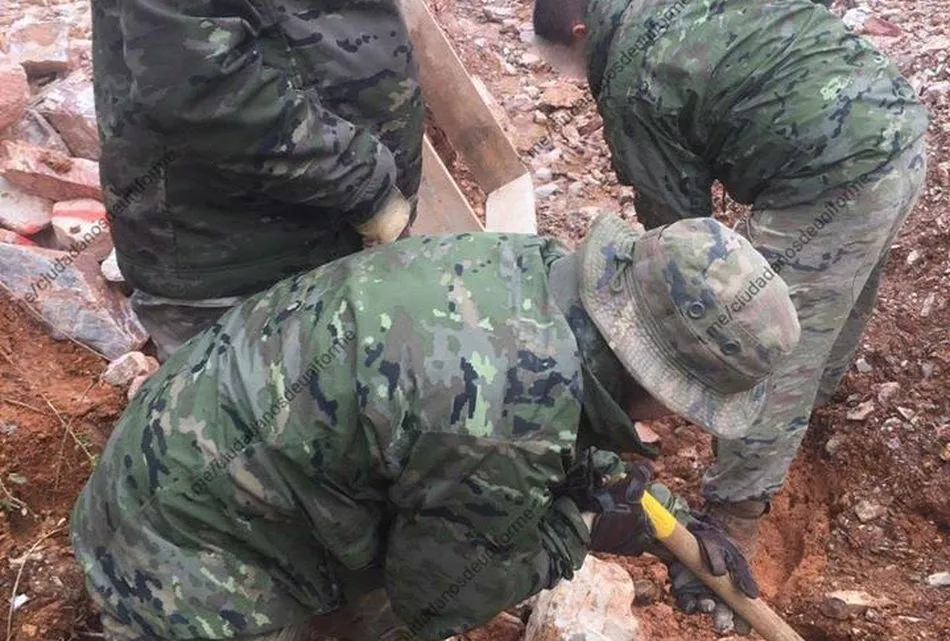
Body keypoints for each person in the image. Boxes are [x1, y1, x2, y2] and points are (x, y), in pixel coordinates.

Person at [71, 212, 801, 641]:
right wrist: (579, 525)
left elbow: (553, 434)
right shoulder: (504, 416)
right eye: (687, 398)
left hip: (176, 444)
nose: (681, 418)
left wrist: (668, 520)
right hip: (173, 555)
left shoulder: (537, 275)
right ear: (648, 369)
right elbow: (437, 599)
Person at [531, 0, 929, 631]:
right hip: (899, 127)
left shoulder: (630, 74)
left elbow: (677, 236)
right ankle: (818, 396)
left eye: (573, 68)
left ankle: (737, 513)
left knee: (762, 347)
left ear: (580, 35)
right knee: (839, 286)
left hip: (828, 177)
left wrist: (672, 344)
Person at [91, 0, 425, 361]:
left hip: (337, 225)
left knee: (353, 393)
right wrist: (364, 183)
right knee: (264, 410)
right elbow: (201, 90)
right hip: (240, 260)